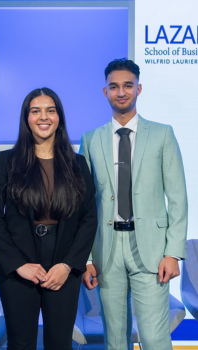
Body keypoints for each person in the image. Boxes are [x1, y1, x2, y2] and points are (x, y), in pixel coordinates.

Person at [80, 58, 187, 350]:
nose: (121, 92)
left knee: (154, 338)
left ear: (138, 88)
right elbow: (85, 205)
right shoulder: (90, 140)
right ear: (105, 92)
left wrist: (173, 254)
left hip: (152, 251)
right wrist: (88, 258)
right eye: (114, 87)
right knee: (115, 339)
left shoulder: (162, 134)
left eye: (128, 85)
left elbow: (178, 197)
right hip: (107, 250)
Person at [0, 87, 97, 350]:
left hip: (63, 260)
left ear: (59, 118)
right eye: (35, 111)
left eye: (50, 110)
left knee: (60, 343)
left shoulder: (78, 163)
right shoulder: (6, 162)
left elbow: (89, 218)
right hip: (18, 262)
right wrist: (18, 264)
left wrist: (68, 265)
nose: (43, 117)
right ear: (26, 118)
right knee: (20, 343)